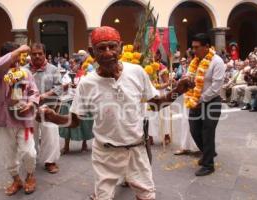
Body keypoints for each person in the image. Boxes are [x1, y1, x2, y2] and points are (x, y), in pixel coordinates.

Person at [38, 26, 194, 200]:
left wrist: (177, 91)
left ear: (120, 47)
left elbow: (156, 104)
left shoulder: (137, 72)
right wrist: (51, 117)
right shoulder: (87, 83)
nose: (108, 53)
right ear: (92, 52)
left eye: (112, 46)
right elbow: (74, 121)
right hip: (105, 155)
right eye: (101, 48)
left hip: (136, 151)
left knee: (147, 196)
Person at [0, 42, 39, 196]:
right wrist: (18, 50)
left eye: (20, 56)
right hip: (3, 119)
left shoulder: (26, 73)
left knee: (29, 152)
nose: (19, 59)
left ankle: (30, 176)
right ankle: (17, 179)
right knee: (8, 154)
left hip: (23, 118)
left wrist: (31, 103)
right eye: (16, 56)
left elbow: (34, 91)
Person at [188, 33, 226, 176]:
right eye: (193, 47)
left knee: (207, 132)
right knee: (194, 130)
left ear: (207, 47)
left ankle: (208, 165)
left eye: (196, 47)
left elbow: (216, 86)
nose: (193, 50)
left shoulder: (217, 62)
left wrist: (201, 99)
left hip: (212, 102)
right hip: (196, 101)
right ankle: (208, 152)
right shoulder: (195, 61)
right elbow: (190, 78)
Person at [24, 43, 62, 174]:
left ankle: (50, 162)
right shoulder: (24, 70)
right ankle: (31, 160)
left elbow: (59, 87)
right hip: (29, 108)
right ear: (30, 55)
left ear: (44, 54)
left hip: (48, 107)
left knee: (50, 135)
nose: (37, 56)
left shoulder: (53, 69)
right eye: (34, 54)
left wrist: (44, 95)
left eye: (40, 53)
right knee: (29, 136)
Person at [59, 57, 94, 154]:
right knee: (67, 122)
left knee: (84, 123)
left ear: (79, 64)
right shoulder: (66, 74)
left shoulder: (86, 75)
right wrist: (68, 85)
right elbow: (62, 87)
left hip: (82, 101)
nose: (70, 65)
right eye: (69, 63)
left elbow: (88, 88)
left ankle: (84, 144)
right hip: (69, 100)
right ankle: (66, 146)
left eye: (73, 63)